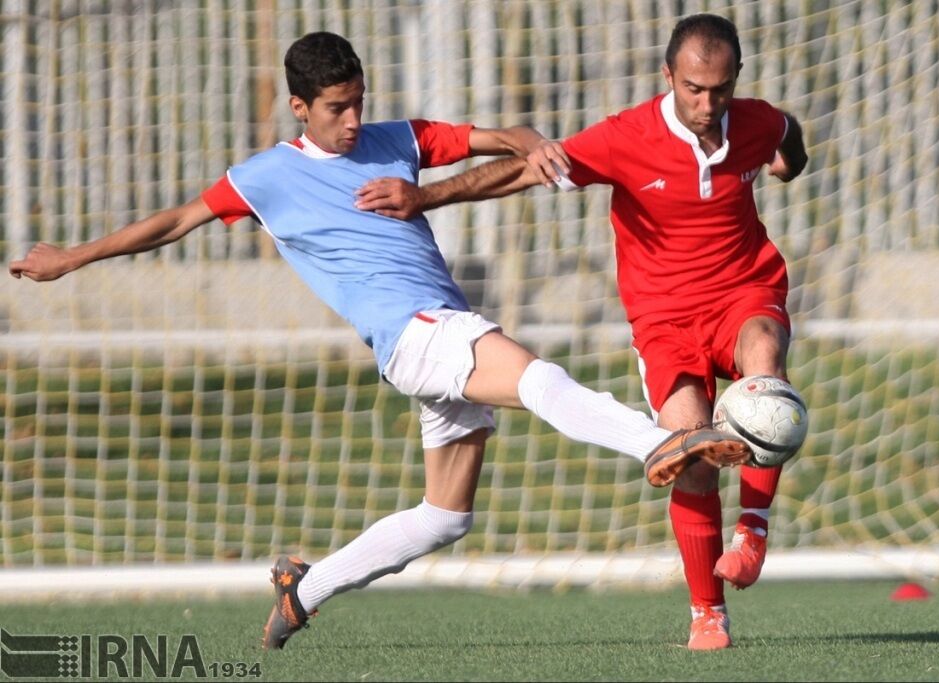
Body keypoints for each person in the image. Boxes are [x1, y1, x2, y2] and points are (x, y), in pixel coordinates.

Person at [8, 31, 753, 650]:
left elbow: (492, 138)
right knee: (535, 374)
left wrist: (530, 140)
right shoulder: (265, 176)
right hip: (416, 335)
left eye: (359, 101)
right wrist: (69, 260)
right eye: (336, 108)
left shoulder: (398, 139)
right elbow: (173, 223)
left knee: (445, 516)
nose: (353, 119)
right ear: (299, 107)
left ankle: (305, 590)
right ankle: (657, 443)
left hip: (437, 330)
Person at [354, 14, 808, 651]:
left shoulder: (758, 121)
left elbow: (789, 134)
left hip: (743, 291)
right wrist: (425, 198)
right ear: (668, 77)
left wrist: (787, 164)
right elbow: (524, 173)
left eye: (721, 90)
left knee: (766, 366)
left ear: (736, 81)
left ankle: (753, 530)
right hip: (663, 320)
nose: (708, 105)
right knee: (693, 456)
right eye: (694, 90)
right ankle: (708, 610)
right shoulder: (626, 136)